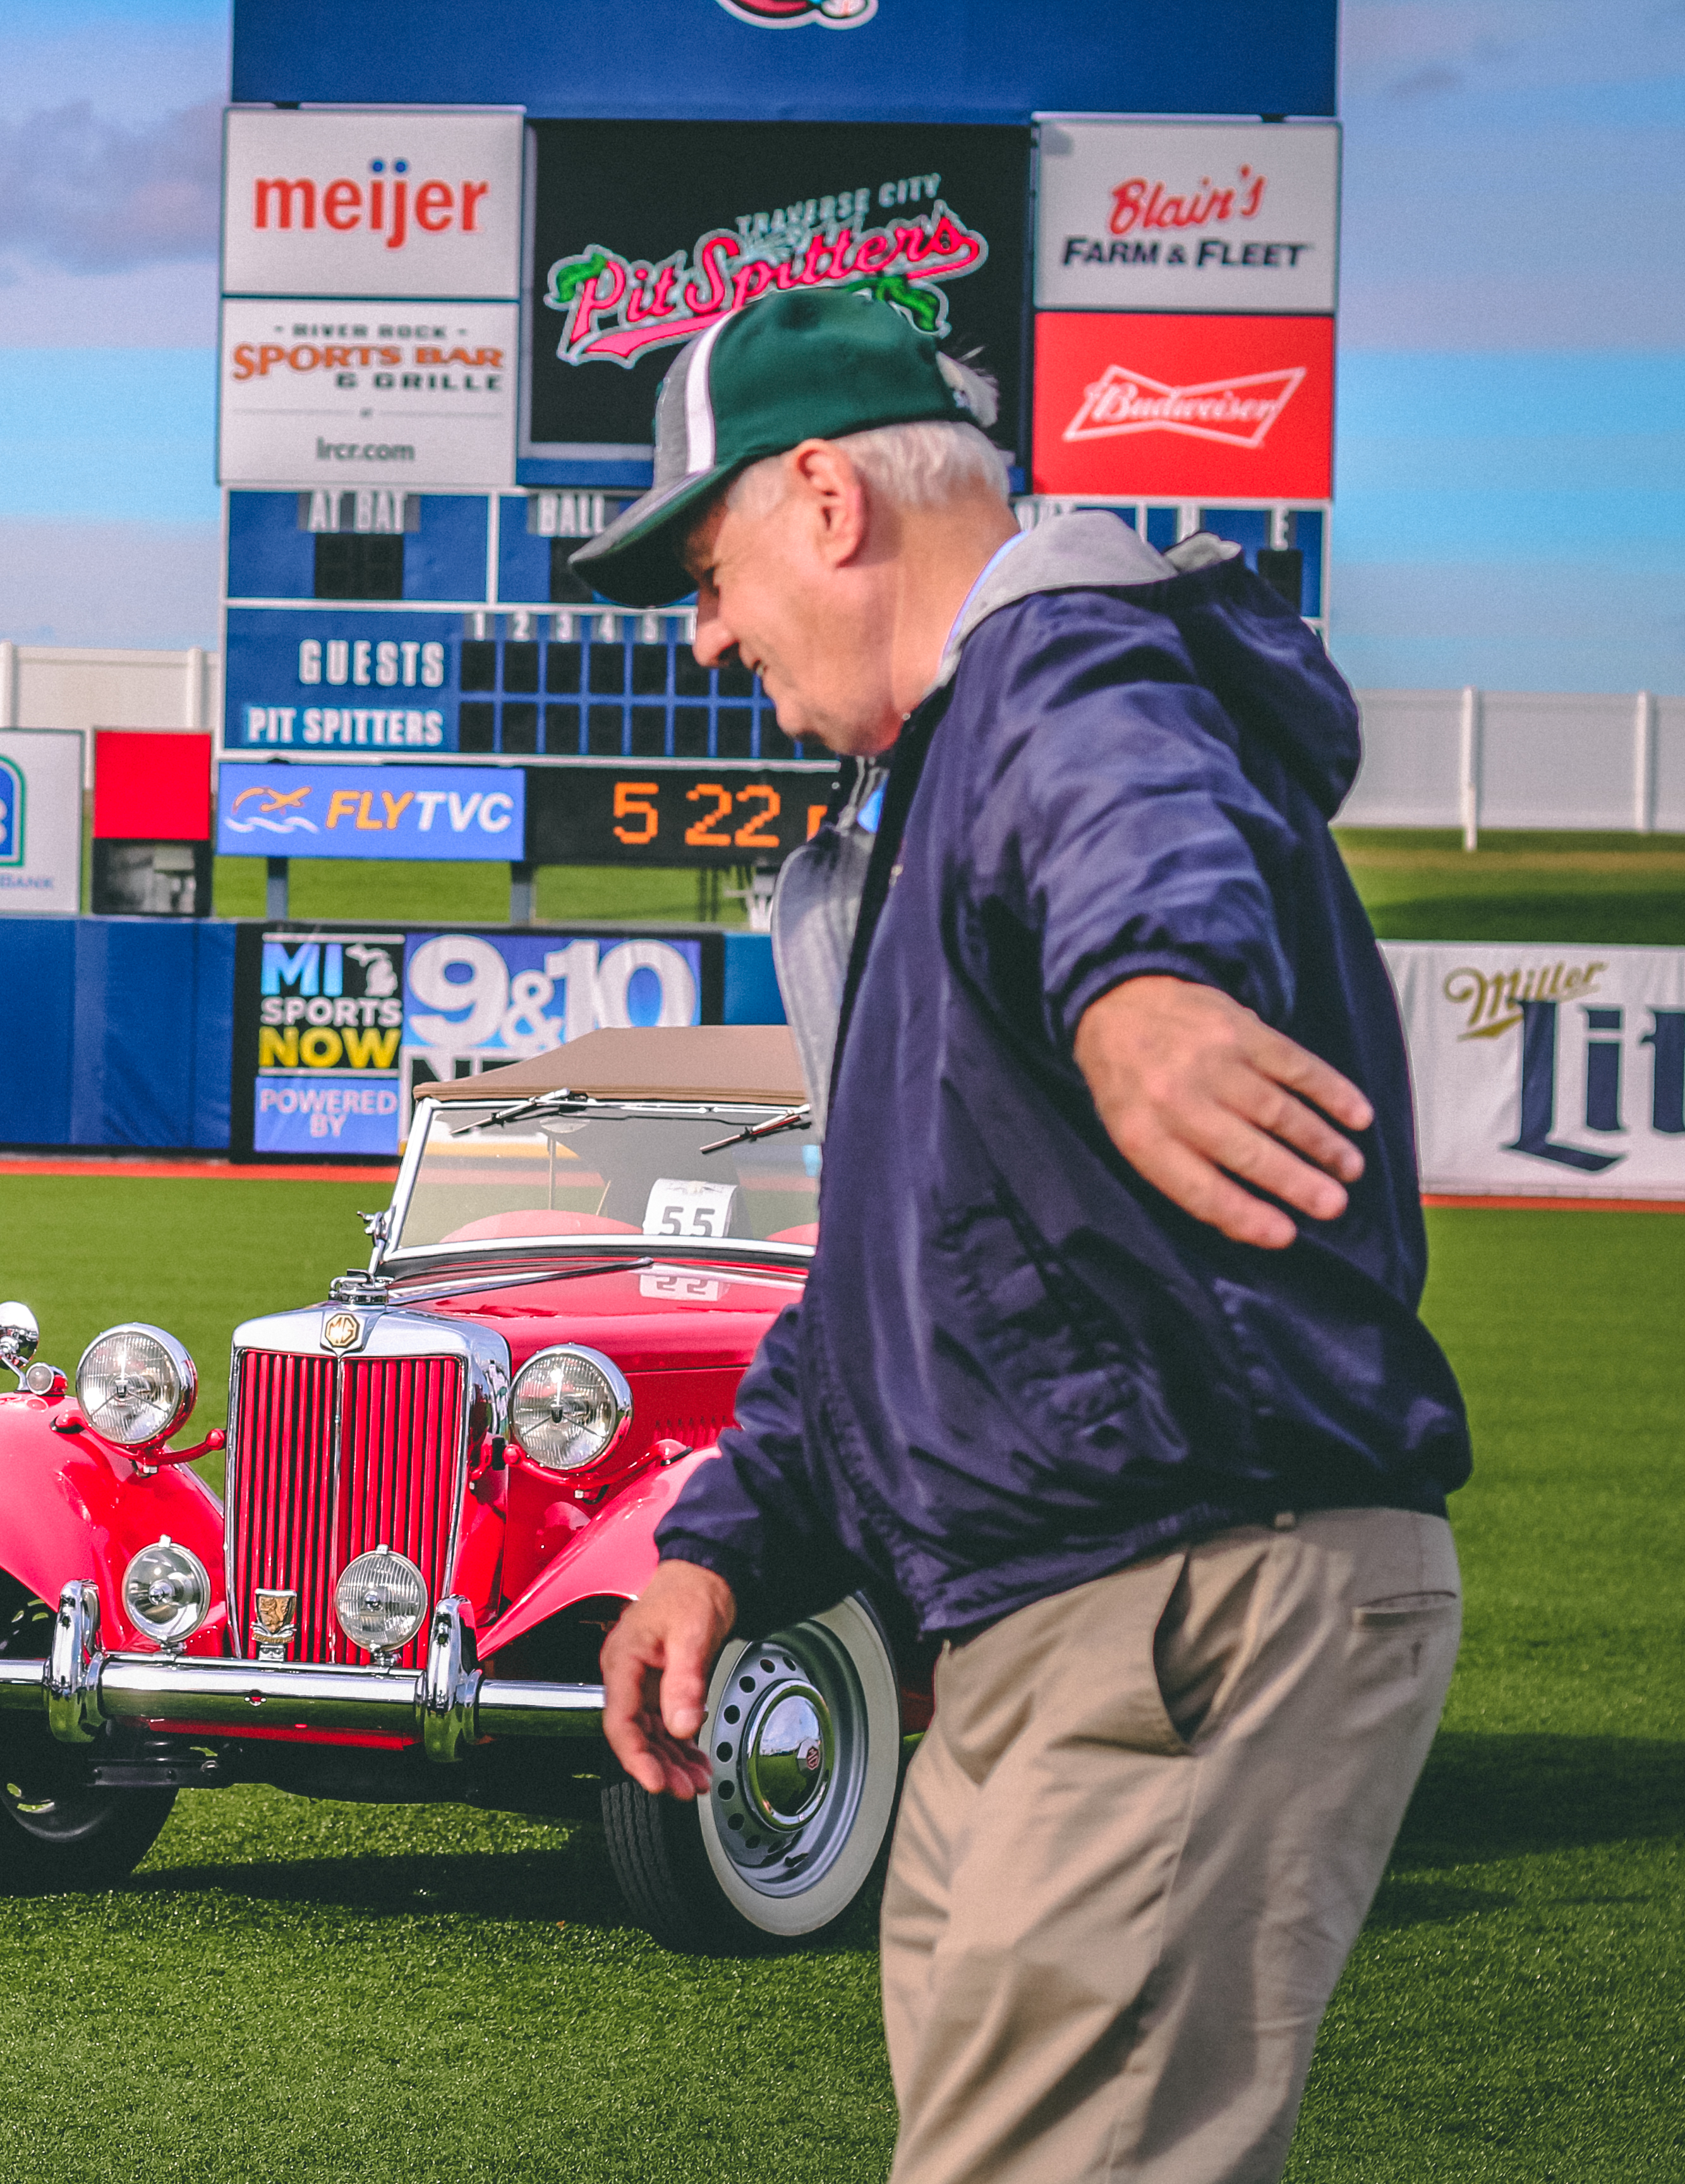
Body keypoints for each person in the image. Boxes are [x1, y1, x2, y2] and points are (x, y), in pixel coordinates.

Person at [576, 289, 1468, 2182]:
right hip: (1043, 1612)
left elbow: (1126, 818)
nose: (707, 626)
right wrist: (724, 1545)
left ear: (825, 500)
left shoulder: (1062, 671)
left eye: (709, 564)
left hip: (1183, 1585)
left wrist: (1143, 989)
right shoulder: (934, 783)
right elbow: (889, 1277)